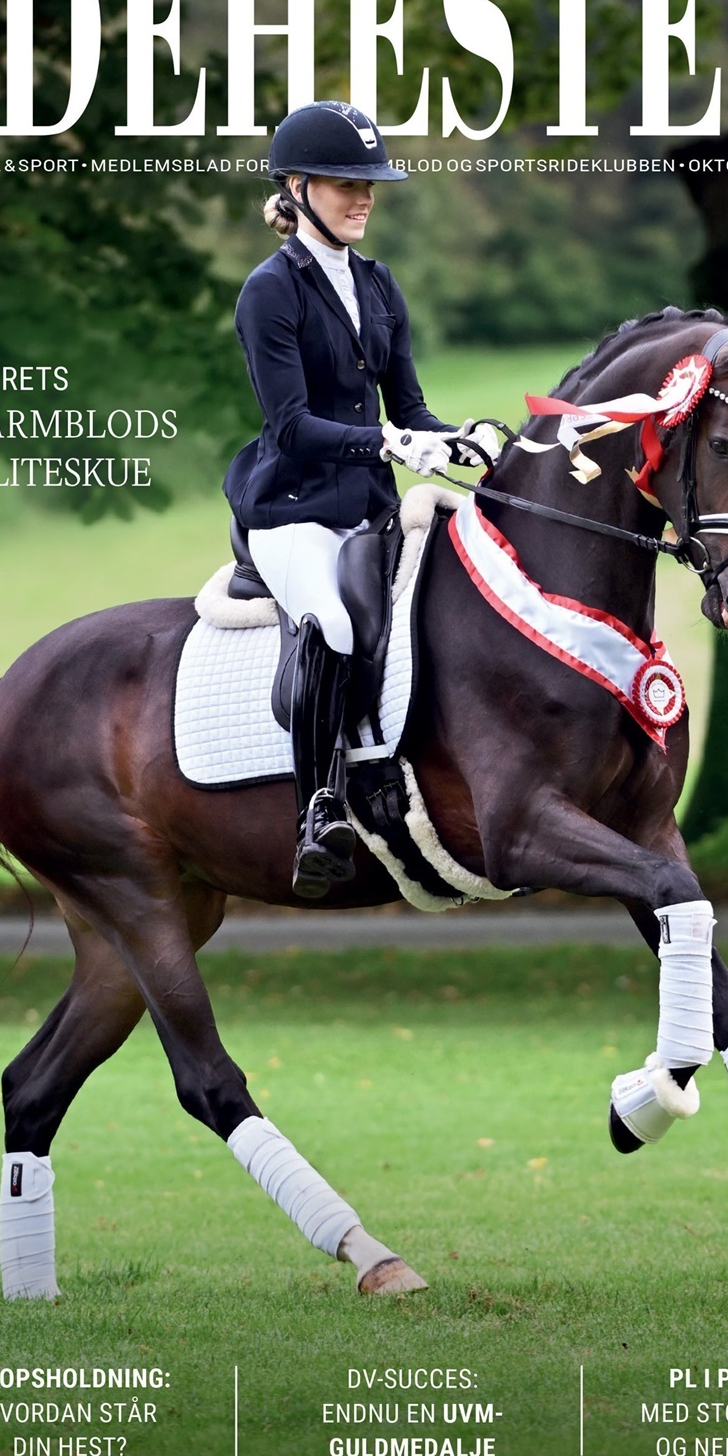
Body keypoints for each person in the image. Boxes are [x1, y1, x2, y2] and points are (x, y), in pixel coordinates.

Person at [223, 100, 497, 898]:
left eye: (369, 183)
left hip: (370, 510)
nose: (364, 197)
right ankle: (318, 812)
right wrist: (387, 443)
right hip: (292, 508)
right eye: (346, 183)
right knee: (336, 625)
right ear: (298, 188)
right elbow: (292, 426)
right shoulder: (270, 292)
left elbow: (409, 409)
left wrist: (461, 437)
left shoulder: (378, 284)